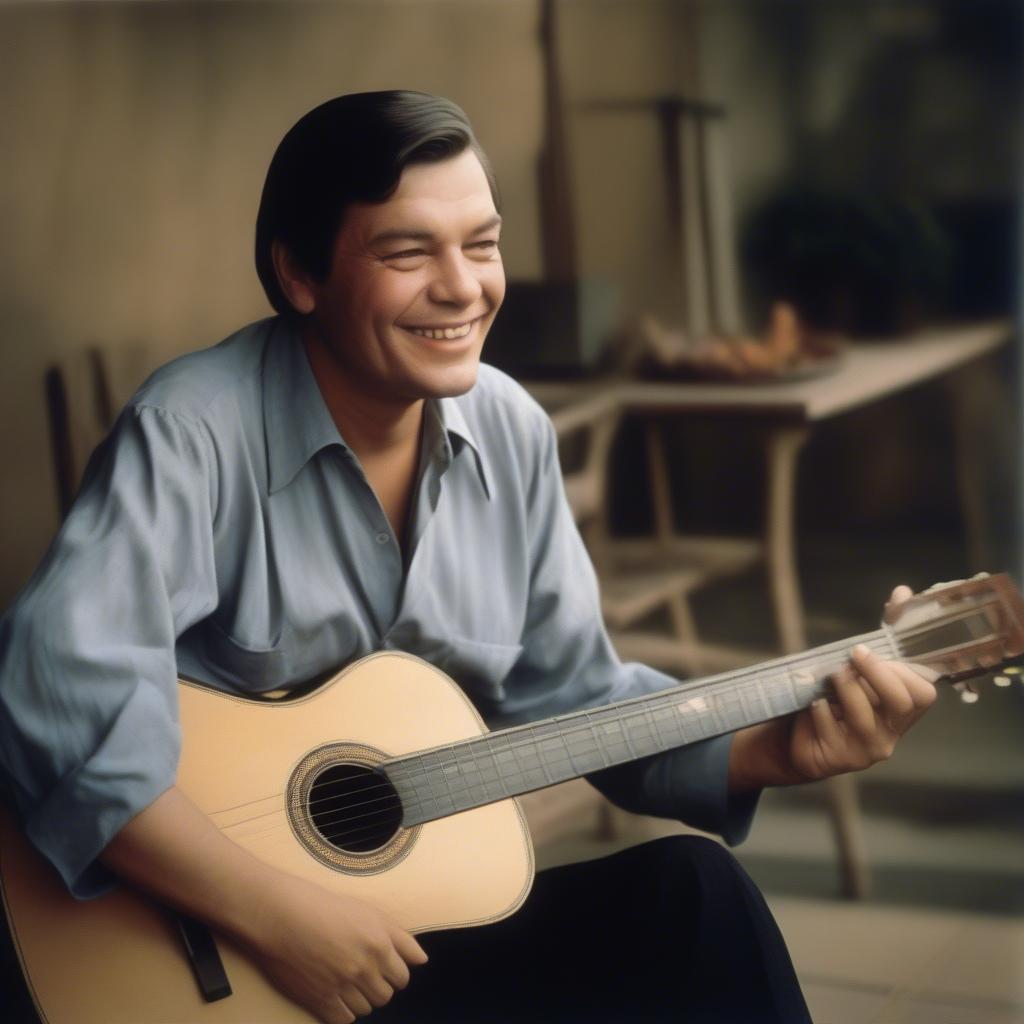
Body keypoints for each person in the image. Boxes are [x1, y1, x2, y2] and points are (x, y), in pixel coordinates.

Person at [0, 91, 937, 1024]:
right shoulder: (190, 431)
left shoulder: (512, 430)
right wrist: (282, 917)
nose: (462, 287)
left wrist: (774, 749)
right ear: (299, 272)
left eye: (481, 245)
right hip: (206, 958)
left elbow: (581, 701)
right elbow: (62, 702)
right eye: (409, 252)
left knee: (698, 899)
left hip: (403, 935)